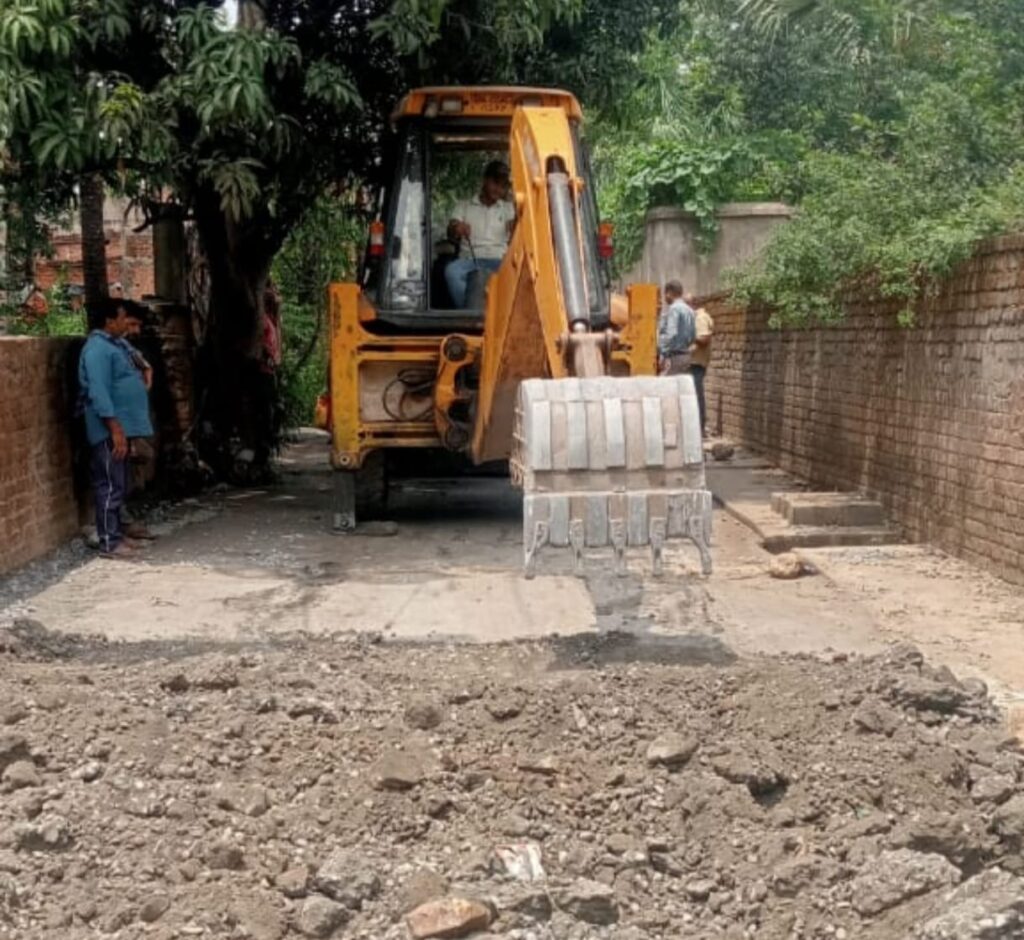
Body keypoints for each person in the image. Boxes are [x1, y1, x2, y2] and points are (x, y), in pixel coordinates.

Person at [78, 298, 154, 558]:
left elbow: (138, 360)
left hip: (120, 427)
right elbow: (99, 391)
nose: (126, 325)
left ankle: (117, 533)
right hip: (108, 429)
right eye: (123, 319)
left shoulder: (116, 344)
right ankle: (109, 542)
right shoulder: (97, 350)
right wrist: (115, 429)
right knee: (110, 483)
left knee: (118, 482)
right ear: (109, 321)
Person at [444, 160, 515, 308]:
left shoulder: (509, 209)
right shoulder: (464, 206)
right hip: (470, 260)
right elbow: (451, 230)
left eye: (503, 186)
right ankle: (470, 312)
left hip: (499, 261)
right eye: (495, 183)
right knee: (451, 271)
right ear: (485, 180)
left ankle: (493, 311)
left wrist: (515, 227)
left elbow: (517, 231)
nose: (498, 189)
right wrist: (457, 228)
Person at [687, 295, 714, 436]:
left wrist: (687, 336)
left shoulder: (701, 318)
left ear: (693, 304)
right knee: (693, 396)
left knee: (697, 396)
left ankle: (700, 428)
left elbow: (704, 339)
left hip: (696, 363)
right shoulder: (694, 318)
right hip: (692, 362)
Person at [657, 280, 696, 376]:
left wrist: (663, 354)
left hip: (674, 357)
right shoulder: (690, 311)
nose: (665, 298)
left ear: (669, 293)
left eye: (665, 294)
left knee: (667, 384)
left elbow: (671, 334)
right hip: (687, 356)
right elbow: (693, 336)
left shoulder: (674, 309)